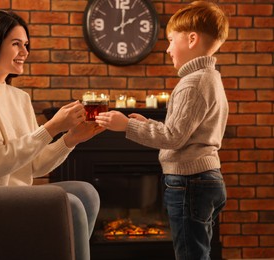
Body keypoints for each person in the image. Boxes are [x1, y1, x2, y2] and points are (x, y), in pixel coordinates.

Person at [0, 10, 104, 260]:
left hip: (16, 194)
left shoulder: (19, 98)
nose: (25, 52)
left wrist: (70, 139)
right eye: (16, 44)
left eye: (25, 45)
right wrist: (52, 127)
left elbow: (32, 166)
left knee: (86, 192)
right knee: (72, 204)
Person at [95, 1, 229, 259]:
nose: (167, 49)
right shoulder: (211, 77)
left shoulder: (192, 83)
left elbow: (174, 138)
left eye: (170, 40)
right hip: (206, 177)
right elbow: (183, 131)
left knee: (189, 254)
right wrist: (148, 125)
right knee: (199, 251)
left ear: (191, 39)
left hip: (189, 182)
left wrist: (127, 126)